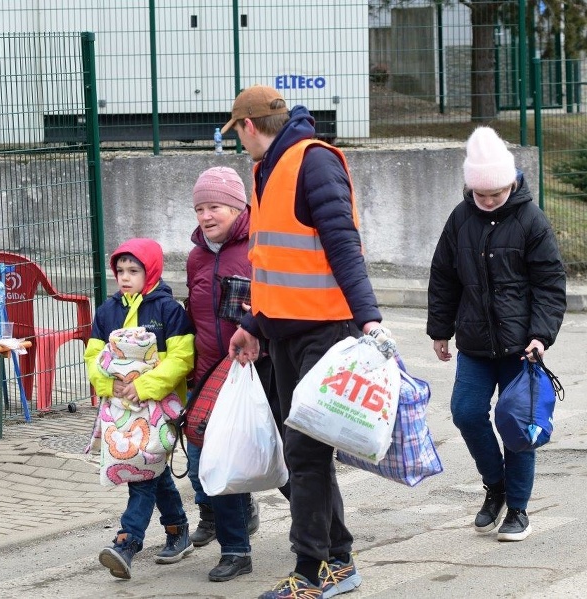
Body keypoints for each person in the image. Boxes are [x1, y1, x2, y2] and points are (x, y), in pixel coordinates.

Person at [224, 85, 395, 599]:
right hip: (284, 334)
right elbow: (272, 262)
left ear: (250, 126)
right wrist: (254, 324)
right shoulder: (266, 169)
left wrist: (368, 319)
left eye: (239, 134)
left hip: (326, 333)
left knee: (305, 452)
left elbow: (343, 245)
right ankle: (338, 559)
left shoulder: (311, 163)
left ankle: (310, 573)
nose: (240, 144)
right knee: (308, 451)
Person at [426, 126, 566, 542]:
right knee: (466, 413)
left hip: (522, 346)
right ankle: (496, 487)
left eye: (496, 194)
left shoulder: (531, 220)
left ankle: (518, 509)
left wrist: (541, 334)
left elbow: (550, 283)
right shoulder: (459, 218)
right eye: (481, 194)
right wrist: (440, 329)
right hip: (473, 342)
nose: (488, 201)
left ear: (511, 183)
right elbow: (443, 277)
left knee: (517, 426)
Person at [85, 238, 195, 579]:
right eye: (120, 271)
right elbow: (92, 356)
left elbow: (182, 358)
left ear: (152, 271)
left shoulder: (168, 310)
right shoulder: (107, 312)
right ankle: (178, 530)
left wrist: (144, 385)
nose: (125, 277)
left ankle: (127, 541)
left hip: (158, 408)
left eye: (134, 270)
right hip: (121, 409)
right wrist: (109, 385)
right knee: (152, 469)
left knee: (142, 472)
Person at [184, 166, 261, 582]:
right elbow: (194, 321)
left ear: (236, 206)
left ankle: (325, 536)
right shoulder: (197, 256)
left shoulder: (259, 246)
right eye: (199, 208)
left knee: (286, 461)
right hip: (212, 372)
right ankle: (235, 550)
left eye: (214, 206)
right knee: (210, 458)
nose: (206, 216)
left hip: (260, 370)